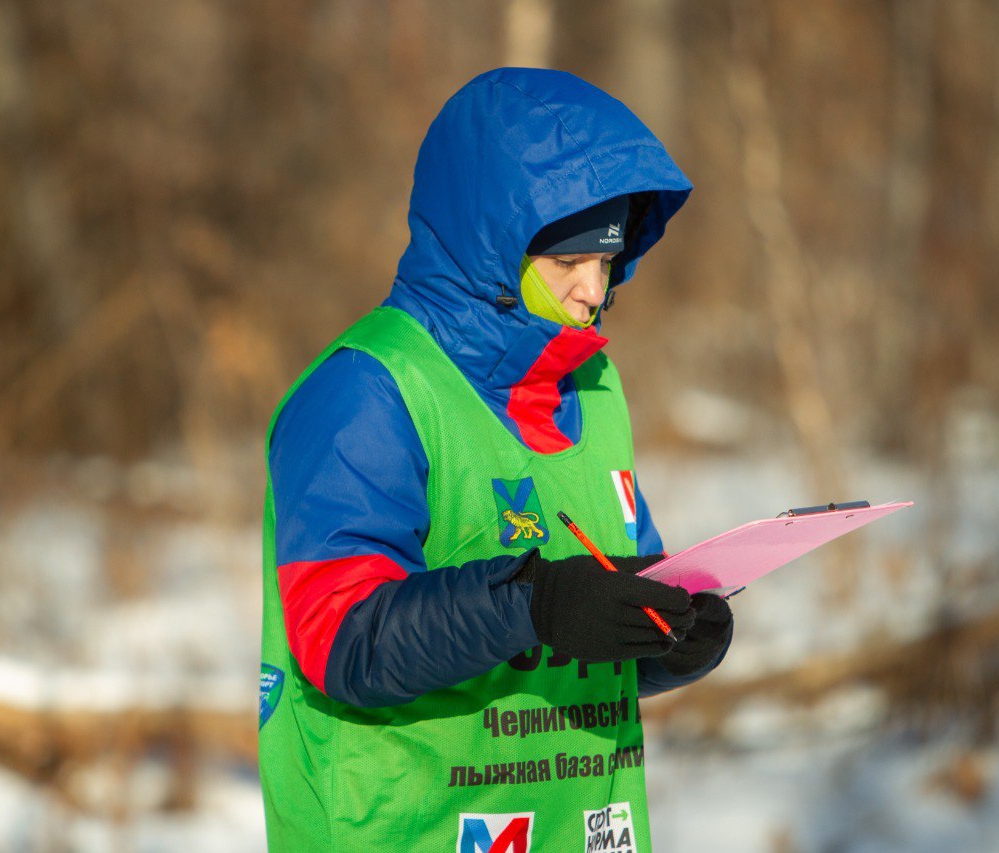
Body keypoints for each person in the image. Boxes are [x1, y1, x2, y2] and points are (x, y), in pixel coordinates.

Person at [258, 67, 733, 852]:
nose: (593, 289)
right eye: (567, 262)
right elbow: (342, 636)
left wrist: (670, 633)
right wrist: (532, 603)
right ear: (493, 247)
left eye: (608, 260)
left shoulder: (593, 387)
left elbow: (596, 610)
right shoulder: (367, 390)